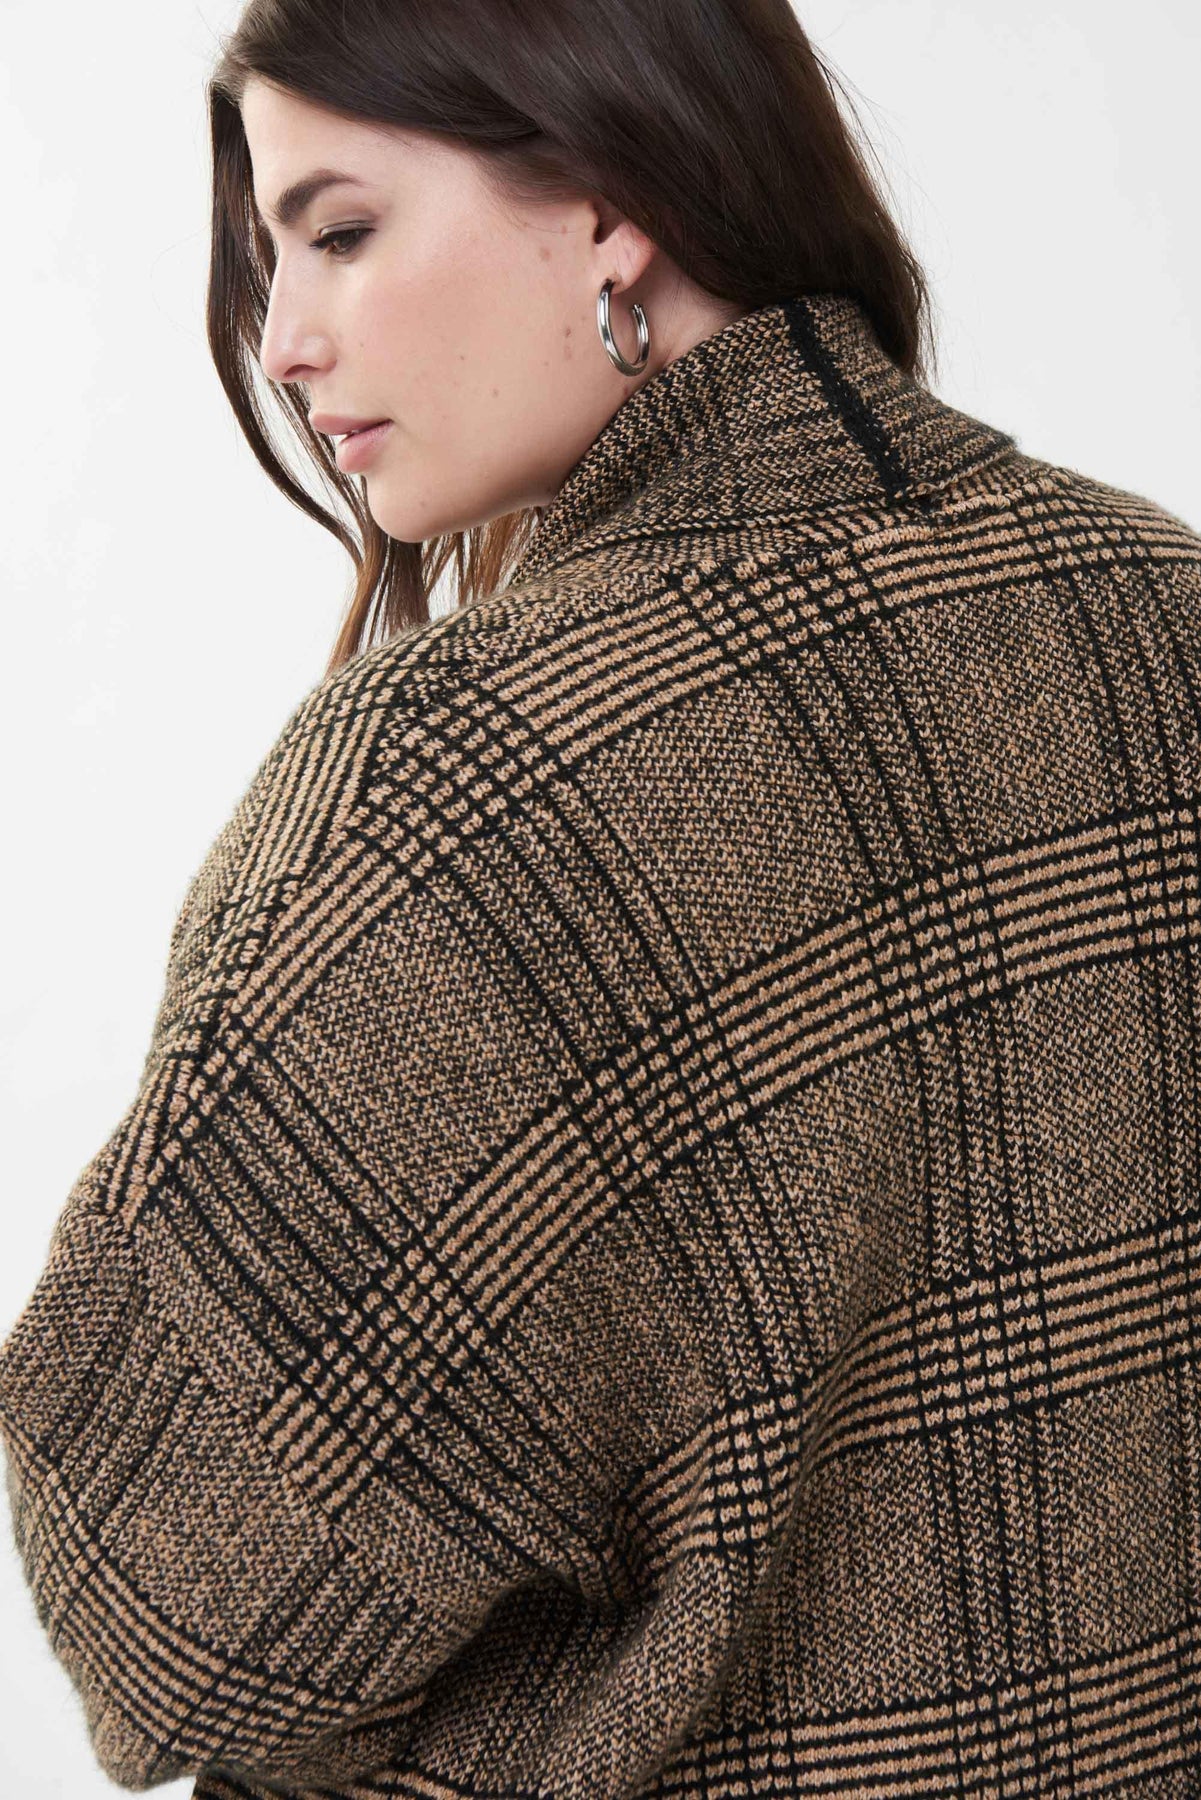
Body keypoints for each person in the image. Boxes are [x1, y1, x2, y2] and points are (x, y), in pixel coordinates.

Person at [2, 2, 1199, 1797]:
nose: (286, 338)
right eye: (270, 259)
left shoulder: (456, 784)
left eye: (341, 230)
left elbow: (167, 1625)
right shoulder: (1160, 611)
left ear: (609, 203)